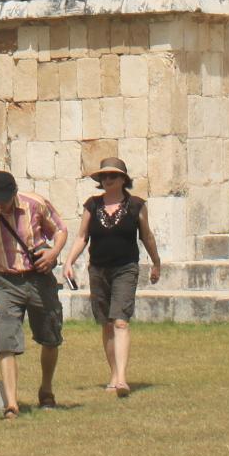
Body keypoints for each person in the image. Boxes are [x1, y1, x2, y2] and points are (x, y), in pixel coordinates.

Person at [61, 155, 163, 397]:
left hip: (126, 268)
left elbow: (146, 237)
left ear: (122, 180)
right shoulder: (92, 205)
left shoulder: (137, 205)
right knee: (107, 323)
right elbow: (81, 237)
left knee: (120, 320)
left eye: (113, 175)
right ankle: (114, 374)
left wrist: (156, 262)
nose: (108, 179)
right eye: (104, 176)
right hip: (98, 269)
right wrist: (68, 262)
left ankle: (122, 379)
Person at [0, 168, 67, 419]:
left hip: (39, 279)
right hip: (5, 282)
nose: (0, 205)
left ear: (14, 193)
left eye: (4, 199)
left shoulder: (35, 204)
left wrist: (53, 254)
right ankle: (11, 404)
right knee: (6, 341)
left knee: (50, 337)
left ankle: (46, 389)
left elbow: (60, 229)